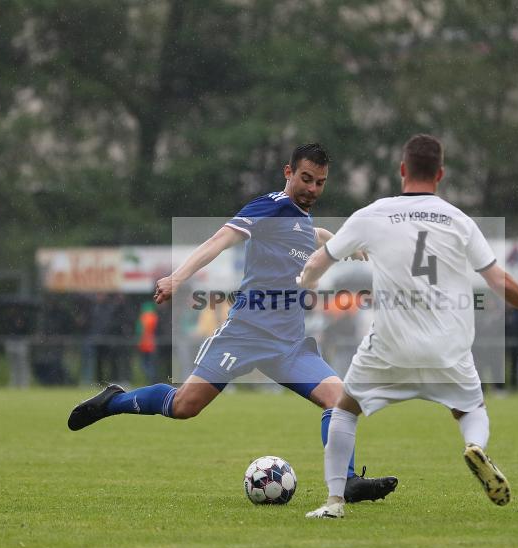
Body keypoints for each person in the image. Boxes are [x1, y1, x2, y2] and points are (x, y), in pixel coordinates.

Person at [67, 143, 397, 503]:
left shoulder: (301, 218)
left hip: (288, 344)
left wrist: (339, 242)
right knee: (184, 406)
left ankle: (346, 483)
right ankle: (113, 401)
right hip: (244, 334)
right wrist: (178, 278)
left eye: (320, 182)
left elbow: (310, 236)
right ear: (288, 173)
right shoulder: (270, 206)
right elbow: (220, 239)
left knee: (340, 401)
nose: (312, 189)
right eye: (305, 179)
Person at [299, 134, 518, 519]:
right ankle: (475, 446)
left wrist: (304, 283)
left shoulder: (372, 214)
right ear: (440, 174)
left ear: (402, 170)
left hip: (390, 344)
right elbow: (498, 281)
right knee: (472, 408)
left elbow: (318, 264)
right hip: (448, 344)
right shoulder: (459, 221)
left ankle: (334, 503)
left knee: (344, 410)